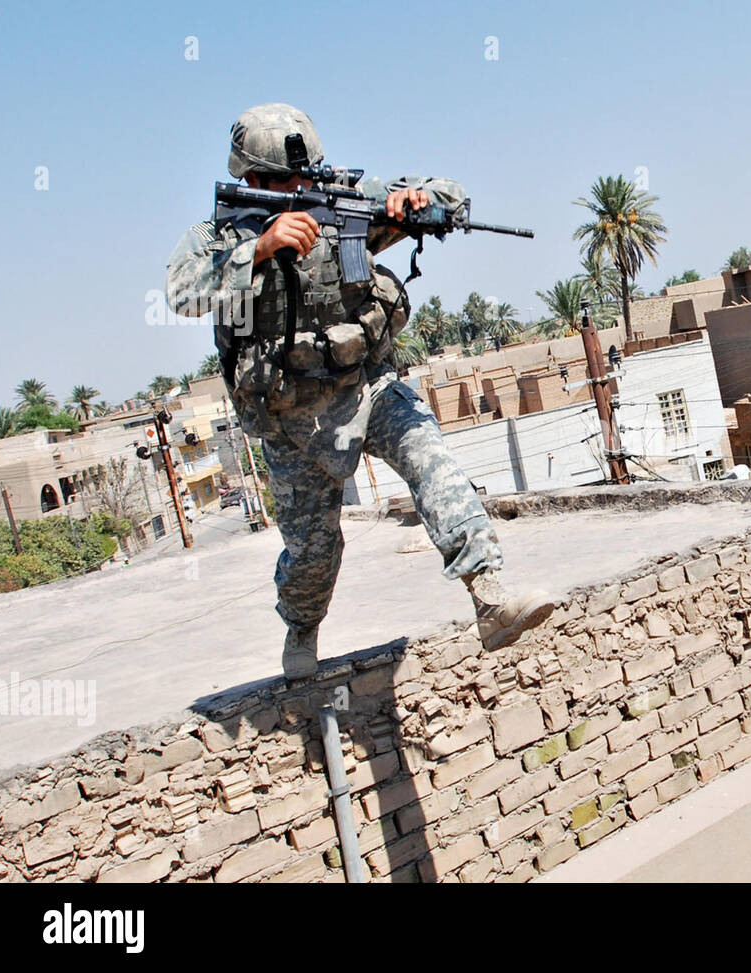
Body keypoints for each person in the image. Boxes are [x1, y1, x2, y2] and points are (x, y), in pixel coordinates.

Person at [166, 103, 553, 679]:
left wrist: (417, 201)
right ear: (251, 180)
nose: (300, 188)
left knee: (432, 460)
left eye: (306, 175)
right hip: (288, 416)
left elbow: (449, 195)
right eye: (284, 181)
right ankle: (301, 630)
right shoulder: (217, 236)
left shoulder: (343, 200)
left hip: (366, 386)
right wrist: (262, 247)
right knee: (314, 553)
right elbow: (181, 292)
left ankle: (490, 595)